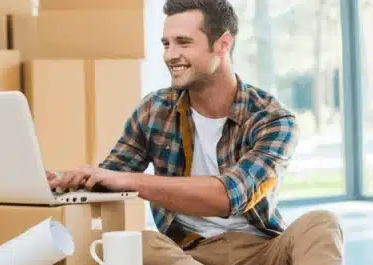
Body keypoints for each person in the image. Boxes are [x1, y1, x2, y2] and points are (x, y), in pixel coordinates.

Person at [47, 0, 344, 264]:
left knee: (322, 222)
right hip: (189, 253)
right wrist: (67, 180)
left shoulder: (273, 119)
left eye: (183, 43)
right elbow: (111, 175)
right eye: (166, 44)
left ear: (223, 44)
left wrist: (130, 181)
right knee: (142, 244)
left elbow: (229, 196)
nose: (170, 55)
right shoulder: (154, 110)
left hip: (263, 251)